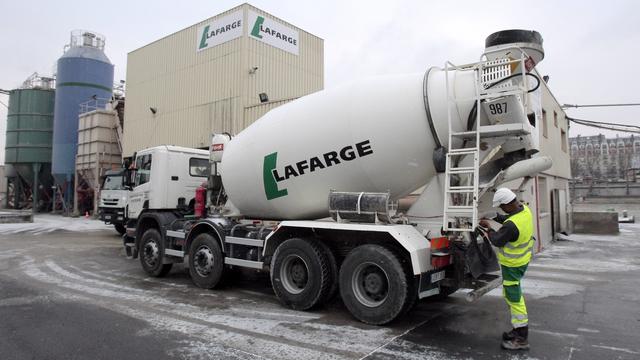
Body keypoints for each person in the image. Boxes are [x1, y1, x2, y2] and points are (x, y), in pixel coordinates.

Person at [479, 188, 535, 351]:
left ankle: (521, 338)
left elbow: (497, 240)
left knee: (514, 297)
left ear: (508, 204)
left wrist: (488, 228)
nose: (501, 210)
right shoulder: (524, 210)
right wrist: (496, 216)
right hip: (521, 261)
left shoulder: (511, 226)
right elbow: (509, 220)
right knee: (511, 294)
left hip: (513, 265)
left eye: (501, 207)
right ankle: (517, 330)